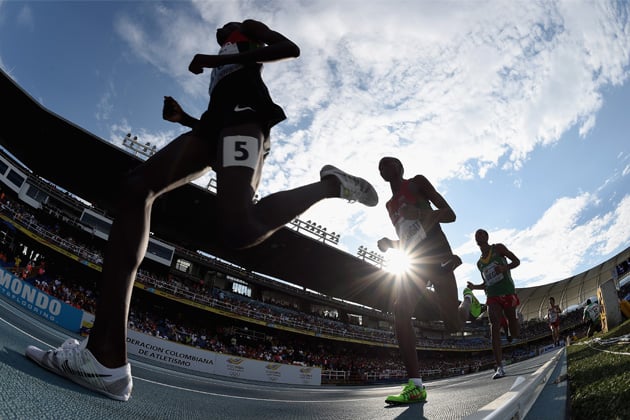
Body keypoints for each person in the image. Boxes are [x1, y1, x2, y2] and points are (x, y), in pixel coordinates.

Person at [25, 19, 378, 401]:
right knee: (135, 189)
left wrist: (212, 58)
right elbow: (219, 113)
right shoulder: (224, 55)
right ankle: (104, 355)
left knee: (239, 228)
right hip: (214, 125)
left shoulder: (247, 29)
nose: (218, 29)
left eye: (222, 28)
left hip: (246, 115)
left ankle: (331, 185)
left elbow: (289, 49)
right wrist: (184, 120)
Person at [376, 156, 475, 405]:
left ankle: (467, 303)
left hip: (437, 253)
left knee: (453, 325)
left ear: (399, 167)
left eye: (386, 163)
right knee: (400, 309)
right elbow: (410, 238)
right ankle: (416, 385)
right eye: (379, 167)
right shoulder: (389, 206)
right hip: (415, 262)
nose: (382, 168)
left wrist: (419, 212)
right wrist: (392, 244)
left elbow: (450, 215)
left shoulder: (417, 183)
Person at [467, 228, 520, 380]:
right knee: (493, 326)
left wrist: (505, 267)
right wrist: (474, 287)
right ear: (476, 241)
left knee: (514, 329)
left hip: (507, 291)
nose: (478, 236)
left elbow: (516, 261)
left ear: (487, 237)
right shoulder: (479, 263)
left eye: (481, 233)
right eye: (476, 235)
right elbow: (486, 283)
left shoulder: (498, 248)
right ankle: (499, 366)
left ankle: (509, 327)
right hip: (492, 296)